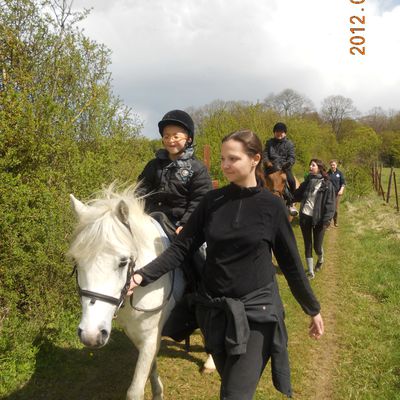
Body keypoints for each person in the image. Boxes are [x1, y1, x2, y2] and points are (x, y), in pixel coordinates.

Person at [129, 130, 324, 400]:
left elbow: (290, 264)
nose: (225, 165)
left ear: (255, 159)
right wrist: (142, 276)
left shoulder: (271, 207)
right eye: (222, 159)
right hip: (215, 312)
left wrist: (312, 308)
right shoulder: (212, 202)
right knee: (230, 385)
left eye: (233, 158)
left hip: (257, 311)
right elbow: (181, 248)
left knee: (234, 394)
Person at [138, 109, 212, 235]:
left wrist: (187, 223)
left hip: (180, 223)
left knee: (198, 251)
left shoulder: (197, 169)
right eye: (166, 136)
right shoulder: (153, 165)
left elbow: (200, 200)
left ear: (188, 139)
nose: (170, 140)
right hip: (151, 220)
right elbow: (141, 190)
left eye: (176, 136)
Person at [293, 159, 336, 279]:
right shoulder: (308, 181)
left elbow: (330, 204)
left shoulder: (327, 184)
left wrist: (327, 221)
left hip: (319, 219)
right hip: (305, 216)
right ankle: (310, 271)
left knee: (317, 246)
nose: (310, 167)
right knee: (307, 244)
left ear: (320, 168)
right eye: (310, 164)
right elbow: (297, 194)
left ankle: (321, 259)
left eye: (313, 165)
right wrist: (288, 198)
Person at [263, 122, 298, 216]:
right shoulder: (269, 142)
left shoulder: (289, 144)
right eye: (277, 132)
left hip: (284, 168)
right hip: (270, 168)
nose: (279, 133)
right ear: (274, 133)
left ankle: (291, 202)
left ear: (285, 133)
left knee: (291, 181)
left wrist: (287, 164)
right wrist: (267, 162)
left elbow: (292, 157)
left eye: (281, 132)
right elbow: (265, 155)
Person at [328, 159, 346, 227]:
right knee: (329, 208)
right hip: (329, 194)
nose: (332, 166)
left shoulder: (340, 173)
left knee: (335, 209)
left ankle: (335, 221)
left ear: (336, 165)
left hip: (337, 194)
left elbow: (343, 183)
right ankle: (328, 223)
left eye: (334, 165)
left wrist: (341, 190)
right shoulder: (327, 173)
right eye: (331, 165)